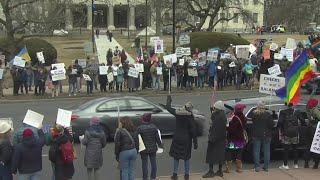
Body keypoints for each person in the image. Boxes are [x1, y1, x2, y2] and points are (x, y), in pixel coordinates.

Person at [167, 101, 198, 180]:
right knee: (186, 158)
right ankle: (186, 175)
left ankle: (174, 174)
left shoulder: (178, 113)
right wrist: (195, 143)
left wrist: (169, 99)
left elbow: (168, 108)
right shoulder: (190, 117)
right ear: (190, 109)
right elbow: (193, 131)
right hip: (186, 140)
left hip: (177, 138)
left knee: (176, 156)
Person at [203, 101, 227, 178]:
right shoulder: (223, 115)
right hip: (222, 138)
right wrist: (212, 111)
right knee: (220, 155)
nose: (214, 109)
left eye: (215, 108)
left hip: (215, 138)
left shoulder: (218, 117)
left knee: (211, 155)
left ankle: (211, 171)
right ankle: (220, 171)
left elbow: (215, 127)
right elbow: (213, 117)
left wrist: (211, 138)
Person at [137, 113, 163, 180]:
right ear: (150, 119)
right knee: (153, 163)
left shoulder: (139, 128)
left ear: (143, 119)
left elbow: (137, 138)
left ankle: (145, 178)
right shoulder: (154, 127)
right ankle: (153, 177)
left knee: (144, 164)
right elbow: (158, 138)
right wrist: (161, 145)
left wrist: (137, 148)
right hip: (153, 148)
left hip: (143, 149)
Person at [224, 103, 247, 173]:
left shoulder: (235, 118)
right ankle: (239, 168)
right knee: (239, 152)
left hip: (233, 139)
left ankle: (228, 168)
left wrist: (226, 127)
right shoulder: (243, 117)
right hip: (240, 139)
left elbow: (232, 129)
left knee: (229, 151)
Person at [251, 101, 273, 172]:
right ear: (264, 107)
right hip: (266, 134)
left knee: (256, 151)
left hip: (256, 134)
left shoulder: (254, 114)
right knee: (267, 151)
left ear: (257, 106)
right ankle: (266, 167)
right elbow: (271, 125)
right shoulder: (268, 114)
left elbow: (253, 122)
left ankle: (257, 167)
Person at [278, 103, 300, 170]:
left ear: (286, 105)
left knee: (286, 150)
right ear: (293, 105)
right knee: (295, 149)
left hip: (286, 133)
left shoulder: (282, 112)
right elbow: (302, 120)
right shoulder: (297, 112)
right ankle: (296, 164)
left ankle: (285, 165)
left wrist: (281, 129)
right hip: (295, 133)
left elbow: (280, 122)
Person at [304, 98, 320, 169]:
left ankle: (306, 163)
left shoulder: (308, 109)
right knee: (316, 146)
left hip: (308, 128)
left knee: (308, 146)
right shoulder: (315, 110)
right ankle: (316, 164)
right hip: (315, 130)